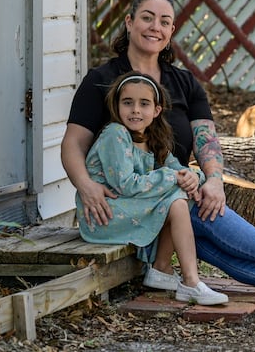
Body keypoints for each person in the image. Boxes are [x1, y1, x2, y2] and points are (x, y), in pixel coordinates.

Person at [61, 0, 255, 313]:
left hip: (171, 192)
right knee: (192, 204)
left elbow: (206, 139)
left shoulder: (184, 83)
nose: (155, 26)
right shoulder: (102, 80)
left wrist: (212, 179)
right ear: (129, 23)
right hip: (125, 202)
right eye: (147, 18)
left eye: (164, 21)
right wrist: (87, 187)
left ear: (171, 32)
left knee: (200, 210)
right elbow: (72, 144)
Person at [76, 71, 228, 306]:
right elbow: (126, 185)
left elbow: (175, 168)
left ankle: (162, 269)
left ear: (156, 111)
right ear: (117, 106)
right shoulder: (115, 135)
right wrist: (173, 177)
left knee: (180, 196)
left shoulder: (152, 137)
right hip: (105, 213)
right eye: (128, 103)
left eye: (144, 103)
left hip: (126, 207)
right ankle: (189, 281)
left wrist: (192, 176)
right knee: (175, 197)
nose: (135, 109)